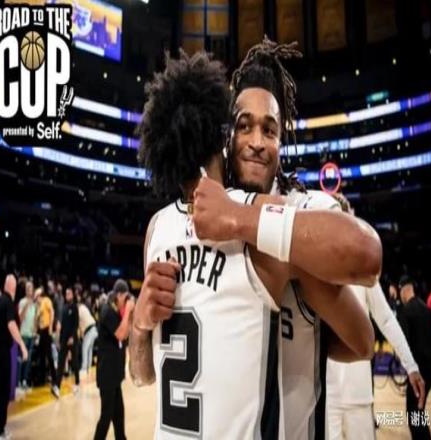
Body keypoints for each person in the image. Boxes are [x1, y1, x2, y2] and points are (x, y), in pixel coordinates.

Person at [130, 49, 379, 438]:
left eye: (270, 130)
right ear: (224, 136)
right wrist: (139, 324)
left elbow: (363, 328)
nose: (257, 142)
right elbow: (142, 374)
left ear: (282, 140)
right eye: (244, 126)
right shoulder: (159, 229)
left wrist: (237, 216)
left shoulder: (302, 208)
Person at [324, 195, 425, 439]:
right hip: (325, 395)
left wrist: (411, 365)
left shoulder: (361, 269)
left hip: (358, 393)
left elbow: (386, 319)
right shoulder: (314, 268)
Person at [399, 275, 431, 440]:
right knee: (418, 410)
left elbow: (404, 343)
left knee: (414, 413)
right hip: (429, 370)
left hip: (417, 372)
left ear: (404, 290)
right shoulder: (426, 308)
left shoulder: (406, 312)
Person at [0, 274, 28, 440]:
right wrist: (22, 346)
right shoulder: (8, 303)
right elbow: (11, 325)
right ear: (12, 287)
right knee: (4, 390)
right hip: (2, 351)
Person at [94, 279, 134, 440]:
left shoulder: (116, 311)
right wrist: (129, 311)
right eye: (125, 297)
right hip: (107, 375)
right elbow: (121, 334)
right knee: (106, 416)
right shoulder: (107, 311)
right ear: (118, 295)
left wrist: (129, 314)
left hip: (114, 375)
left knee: (119, 416)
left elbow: (127, 333)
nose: (126, 301)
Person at [55, 287, 80, 396]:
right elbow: (62, 325)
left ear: (72, 295)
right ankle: (57, 386)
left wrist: (72, 337)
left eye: (69, 293)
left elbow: (76, 324)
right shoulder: (64, 308)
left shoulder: (74, 307)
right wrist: (60, 340)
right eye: (66, 293)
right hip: (64, 339)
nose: (67, 295)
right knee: (61, 362)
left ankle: (77, 383)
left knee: (74, 362)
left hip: (72, 338)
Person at [35, 286, 58, 397]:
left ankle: (54, 379)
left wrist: (50, 327)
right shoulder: (39, 306)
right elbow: (38, 319)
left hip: (46, 330)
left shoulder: (46, 300)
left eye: (36, 297)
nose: (36, 299)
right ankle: (42, 379)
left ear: (39, 296)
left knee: (49, 355)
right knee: (42, 355)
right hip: (41, 331)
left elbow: (52, 312)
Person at [17, 280, 37, 389]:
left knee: (28, 360)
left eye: (31, 289)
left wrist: (35, 330)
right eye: (28, 289)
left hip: (31, 335)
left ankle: (24, 380)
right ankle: (18, 381)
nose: (30, 291)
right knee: (21, 358)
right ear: (25, 291)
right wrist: (26, 306)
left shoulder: (34, 304)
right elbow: (20, 318)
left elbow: (34, 319)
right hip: (23, 334)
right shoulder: (22, 302)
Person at [78, 290, 98, 375]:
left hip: (89, 329)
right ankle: (89, 367)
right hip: (94, 328)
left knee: (85, 348)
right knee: (89, 349)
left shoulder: (79, 310)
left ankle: (84, 368)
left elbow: (79, 325)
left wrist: (80, 336)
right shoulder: (84, 307)